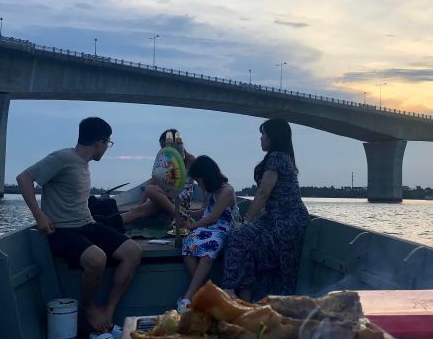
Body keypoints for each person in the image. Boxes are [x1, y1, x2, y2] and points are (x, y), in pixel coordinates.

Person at [16, 117, 142, 339]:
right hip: (61, 231)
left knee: (132, 251)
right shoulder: (62, 157)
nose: (107, 148)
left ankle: (108, 312)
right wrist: (39, 215)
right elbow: (24, 178)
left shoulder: (83, 164)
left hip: (87, 224)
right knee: (97, 259)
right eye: (108, 143)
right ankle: (90, 308)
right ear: (99, 142)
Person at [221, 119, 310, 301]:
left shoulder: (277, 157)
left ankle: (229, 291)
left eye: (263, 134)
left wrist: (246, 221)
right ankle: (244, 295)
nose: (261, 138)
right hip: (277, 218)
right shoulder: (283, 156)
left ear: (272, 137)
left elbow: (263, 192)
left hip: (285, 224)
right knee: (244, 241)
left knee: (237, 237)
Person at [175, 156, 239, 313]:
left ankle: (189, 296)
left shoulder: (226, 191)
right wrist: (190, 213)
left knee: (207, 254)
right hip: (208, 228)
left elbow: (214, 216)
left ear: (206, 177)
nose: (198, 184)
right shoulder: (211, 191)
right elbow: (205, 210)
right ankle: (204, 292)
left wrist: (193, 225)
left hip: (222, 229)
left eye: (198, 180)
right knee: (188, 246)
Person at [121, 128, 196, 225]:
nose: (163, 150)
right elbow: (152, 181)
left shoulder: (190, 160)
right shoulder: (165, 161)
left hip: (182, 197)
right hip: (165, 195)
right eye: (162, 148)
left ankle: (178, 216)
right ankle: (108, 222)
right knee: (138, 210)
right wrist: (140, 204)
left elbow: (201, 182)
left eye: (164, 147)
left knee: (151, 190)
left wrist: (205, 206)